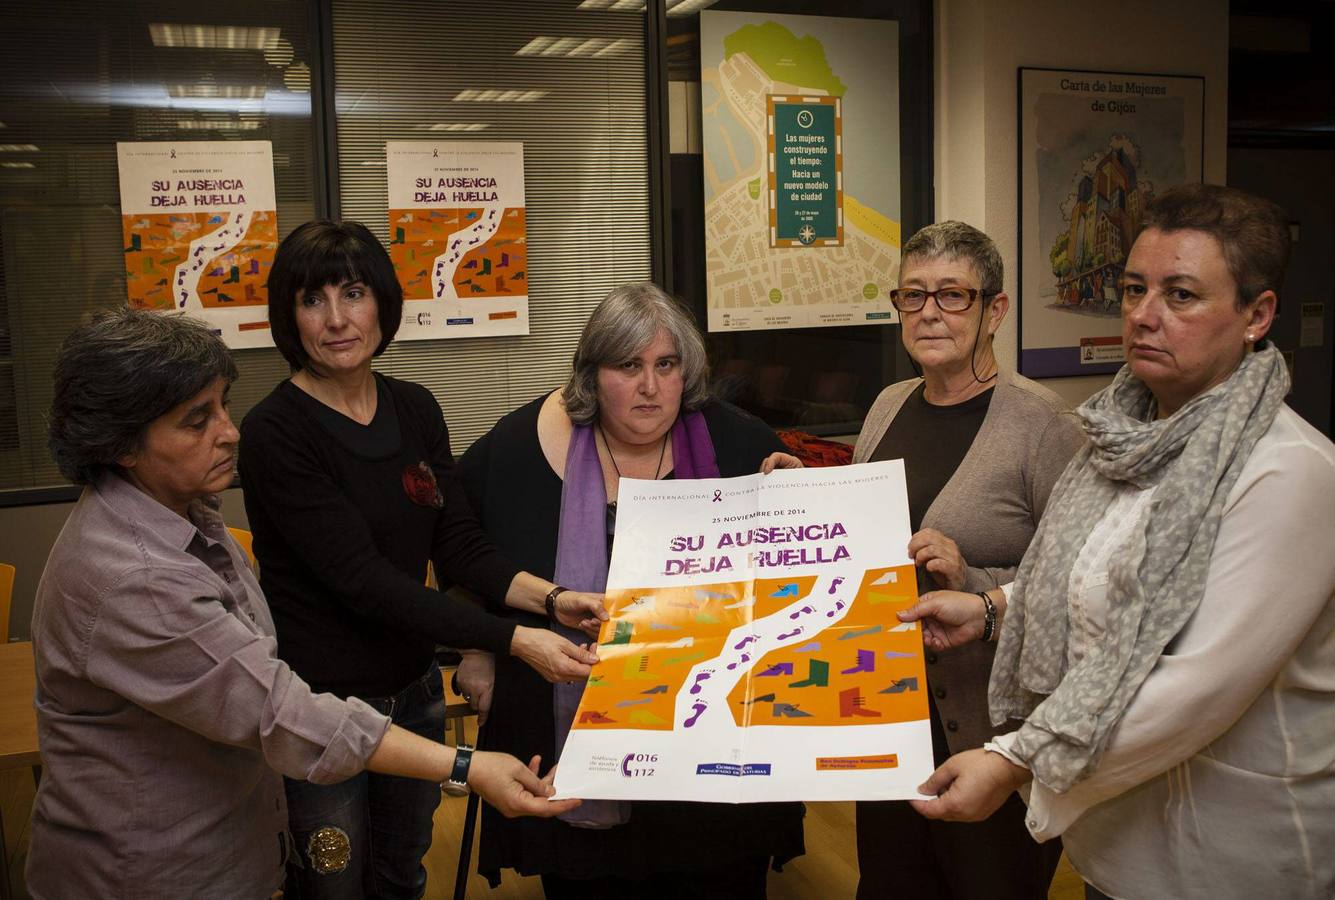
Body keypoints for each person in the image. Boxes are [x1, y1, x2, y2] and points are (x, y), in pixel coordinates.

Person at [27, 308, 577, 900]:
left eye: (222, 405)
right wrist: (469, 763)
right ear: (121, 445)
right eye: (195, 421)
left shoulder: (188, 514)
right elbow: (277, 711)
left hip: (233, 840)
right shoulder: (133, 576)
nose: (228, 431)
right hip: (153, 870)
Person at [904, 184, 1335, 899]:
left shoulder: (1291, 474)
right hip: (1114, 841)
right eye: (1134, 289)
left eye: (1181, 295)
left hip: (1232, 855)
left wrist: (1014, 760)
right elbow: (1096, 573)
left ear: (1255, 315)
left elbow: (1195, 683)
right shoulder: (1116, 433)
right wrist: (992, 609)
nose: (1143, 315)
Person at [238, 220, 604, 899]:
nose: (339, 319)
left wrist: (552, 600)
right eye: (313, 300)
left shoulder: (414, 406)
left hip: (412, 694)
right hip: (320, 707)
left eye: (353, 293)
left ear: (381, 299)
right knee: (332, 887)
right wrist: (518, 641)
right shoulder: (273, 432)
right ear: (289, 317)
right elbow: (365, 583)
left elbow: (460, 545)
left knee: (402, 874)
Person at [453, 282, 805, 898]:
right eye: (628, 366)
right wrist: (479, 647)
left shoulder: (741, 444)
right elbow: (462, 547)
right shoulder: (520, 447)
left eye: (666, 365)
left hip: (712, 745)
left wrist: (795, 499)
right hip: (573, 740)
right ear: (593, 376)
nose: (650, 387)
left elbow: (798, 574)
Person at [850, 221, 1083, 899]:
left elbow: (1081, 583)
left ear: (994, 311)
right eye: (912, 294)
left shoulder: (1045, 427)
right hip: (886, 715)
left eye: (952, 295)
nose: (928, 312)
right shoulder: (888, 403)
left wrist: (971, 579)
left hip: (989, 736)